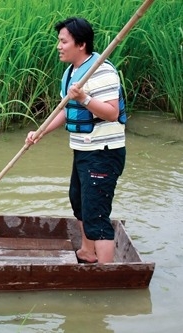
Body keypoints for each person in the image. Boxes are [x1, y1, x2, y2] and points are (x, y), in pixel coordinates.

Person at [25, 17, 126, 264]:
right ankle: (87, 253)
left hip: (103, 152)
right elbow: (64, 110)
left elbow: (112, 113)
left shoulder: (102, 69)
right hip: (82, 150)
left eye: (63, 41)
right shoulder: (71, 72)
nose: (59, 46)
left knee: (96, 215)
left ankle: (106, 276)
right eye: (59, 41)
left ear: (80, 44)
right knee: (78, 202)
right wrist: (39, 132)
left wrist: (84, 98)